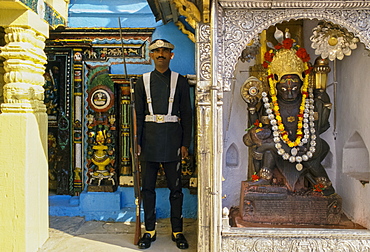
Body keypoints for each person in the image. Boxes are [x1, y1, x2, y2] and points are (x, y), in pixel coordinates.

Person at [243, 30, 335, 196]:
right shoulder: (271, 104)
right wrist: (252, 108)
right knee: (266, 146)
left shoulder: (308, 101)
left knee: (311, 154)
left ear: (301, 85)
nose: (290, 93)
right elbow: (259, 128)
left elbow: (320, 126)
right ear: (276, 87)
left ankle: (324, 186)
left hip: (307, 146)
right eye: (284, 88)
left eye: (294, 88)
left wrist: (323, 101)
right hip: (279, 146)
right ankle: (264, 177)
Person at [135, 39, 192, 249]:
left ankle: (177, 231)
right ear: (151, 56)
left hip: (172, 142)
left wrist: (185, 143)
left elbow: (187, 114)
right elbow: (138, 115)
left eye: (165, 51)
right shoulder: (142, 81)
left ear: (171, 55)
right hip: (148, 142)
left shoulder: (180, 81)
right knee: (147, 189)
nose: (161, 54)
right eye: (156, 51)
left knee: (176, 189)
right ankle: (149, 230)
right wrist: (137, 143)